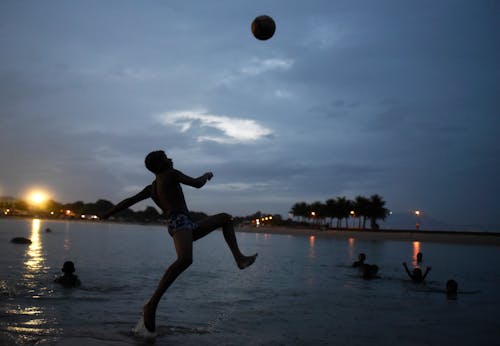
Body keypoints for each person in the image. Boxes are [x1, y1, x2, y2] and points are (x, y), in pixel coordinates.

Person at [101, 150, 257, 333]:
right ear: (160, 165)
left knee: (225, 218)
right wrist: (206, 175)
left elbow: (128, 201)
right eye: (166, 158)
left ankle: (239, 258)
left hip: (184, 223)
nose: (171, 159)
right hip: (179, 222)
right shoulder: (171, 174)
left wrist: (107, 214)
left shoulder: (152, 187)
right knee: (185, 259)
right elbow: (197, 184)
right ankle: (151, 305)